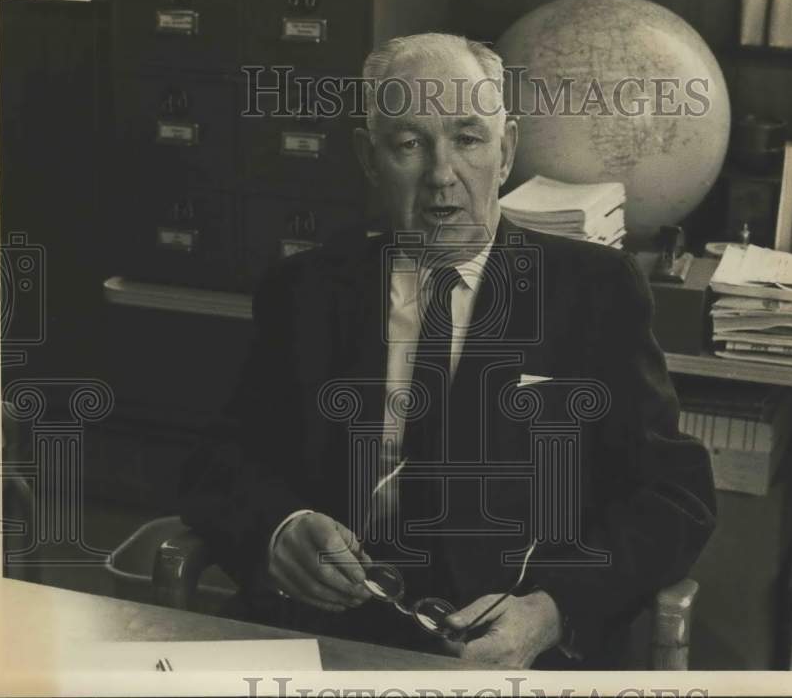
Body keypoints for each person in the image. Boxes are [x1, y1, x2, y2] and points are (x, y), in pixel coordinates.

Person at [180, 33, 716, 669]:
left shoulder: (593, 292)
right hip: (327, 643)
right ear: (368, 156)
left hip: (504, 653)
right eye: (409, 145)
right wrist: (281, 529)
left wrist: (553, 609)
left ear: (506, 149)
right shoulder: (307, 291)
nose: (441, 175)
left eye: (467, 139)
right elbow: (221, 460)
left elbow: (672, 495)